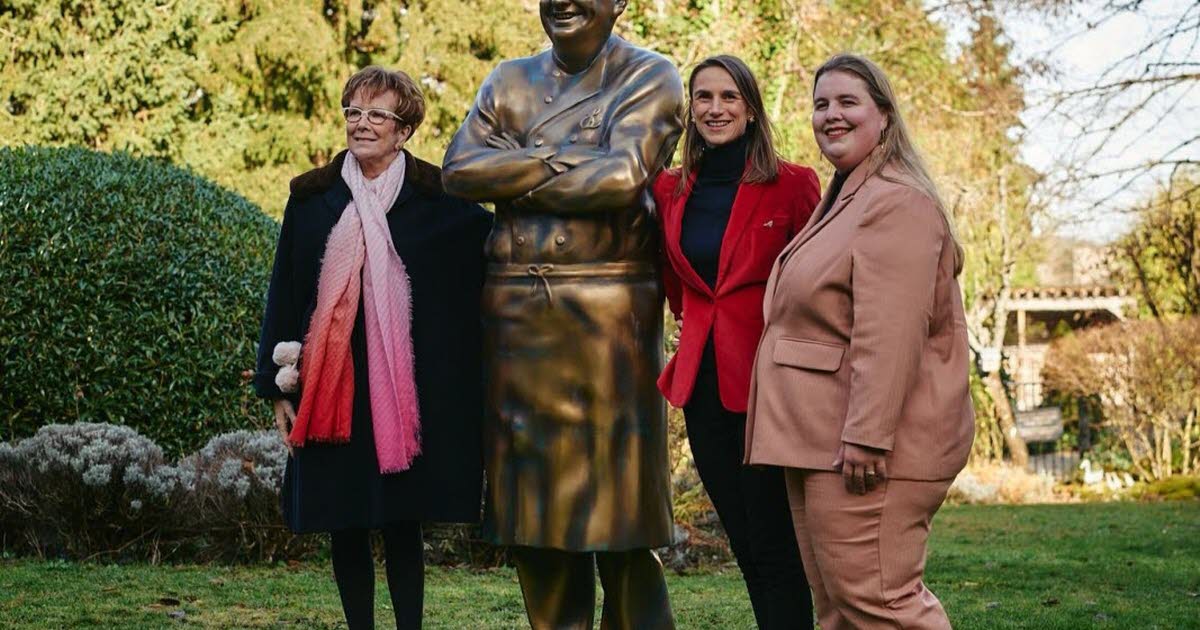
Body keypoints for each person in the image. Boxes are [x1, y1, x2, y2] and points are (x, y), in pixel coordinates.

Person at [441, 0, 684, 627]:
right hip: (518, 315)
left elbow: (621, 178)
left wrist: (515, 169)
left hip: (606, 317)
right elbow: (460, 170)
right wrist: (569, 161)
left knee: (622, 515)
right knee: (535, 516)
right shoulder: (508, 78)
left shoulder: (649, 74)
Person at [254, 66, 492, 630]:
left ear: (404, 129)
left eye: (378, 114)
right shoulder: (312, 198)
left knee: (402, 520)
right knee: (345, 519)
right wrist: (275, 386)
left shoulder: (442, 200)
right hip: (334, 385)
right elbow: (285, 290)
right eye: (354, 112)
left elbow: (494, 258)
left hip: (407, 388)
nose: (362, 125)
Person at [743, 53, 975, 630]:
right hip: (818, 439)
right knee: (842, 612)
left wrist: (869, 438)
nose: (831, 115)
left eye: (848, 102)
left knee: (884, 606)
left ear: (884, 118)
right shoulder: (847, 197)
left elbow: (889, 335)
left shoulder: (896, 201)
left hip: (866, 448)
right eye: (821, 104)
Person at [652, 55, 819, 630]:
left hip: (769, 382)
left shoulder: (794, 185)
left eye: (729, 97)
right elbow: (678, 286)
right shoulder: (669, 191)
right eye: (704, 97)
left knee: (775, 540)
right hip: (701, 385)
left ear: (750, 109)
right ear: (691, 110)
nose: (715, 108)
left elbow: (814, 284)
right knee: (745, 542)